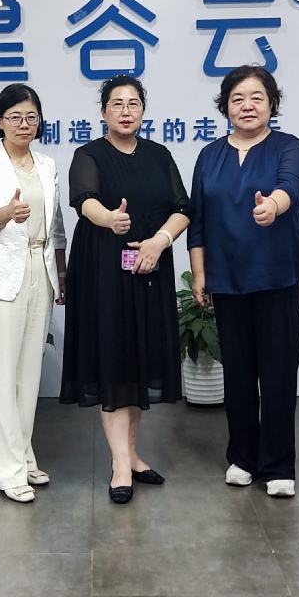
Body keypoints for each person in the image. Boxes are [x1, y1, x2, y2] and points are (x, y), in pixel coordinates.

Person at [60, 74, 193, 505]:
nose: (125, 111)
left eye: (133, 103)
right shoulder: (89, 154)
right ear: (103, 112)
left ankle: (132, 455)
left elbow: (183, 208)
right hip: (104, 271)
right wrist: (110, 220)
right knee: (114, 362)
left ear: (143, 111)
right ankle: (120, 463)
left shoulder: (158, 154)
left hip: (151, 268)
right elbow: (84, 200)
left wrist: (160, 240)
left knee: (138, 360)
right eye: (116, 104)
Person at [187, 65, 299, 498]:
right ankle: (242, 457)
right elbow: (198, 220)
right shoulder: (210, 155)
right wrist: (200, 272)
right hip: (226, 278)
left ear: (272, 103)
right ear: (225, 107)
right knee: (237, 374)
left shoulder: (288, 146)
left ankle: (278, 465)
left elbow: (291, 186)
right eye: (237, 98)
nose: (247, 106)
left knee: (277, 374)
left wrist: (272, 206)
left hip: (276, 277)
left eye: (257, 97)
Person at [0, 84, 67, 503]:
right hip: (2, 274)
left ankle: (24, 456)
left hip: (40, 269)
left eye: (31, 117)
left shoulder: (47, 164)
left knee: (28, 374)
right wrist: (7, 212)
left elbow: (57, 225)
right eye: (14, 117)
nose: (24, 124)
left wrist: (61, 273)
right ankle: (7, 471)